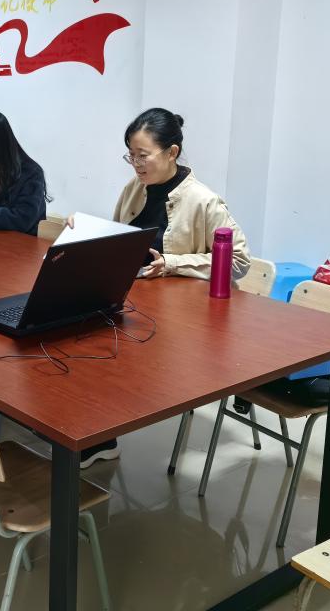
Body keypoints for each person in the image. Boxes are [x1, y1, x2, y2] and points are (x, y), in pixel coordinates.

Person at [81, 108, 250, 468]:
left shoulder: (203, 200)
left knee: (99, 347)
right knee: (73, 331)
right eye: (131, 155)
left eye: (143, 155)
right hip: (133, 299)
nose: (136, 164)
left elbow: (239, 261)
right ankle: (84, 427)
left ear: (172, 152)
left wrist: (173, 263)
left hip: (179, 320)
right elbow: (119, 238)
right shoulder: (134, 188)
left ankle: (97, 433)